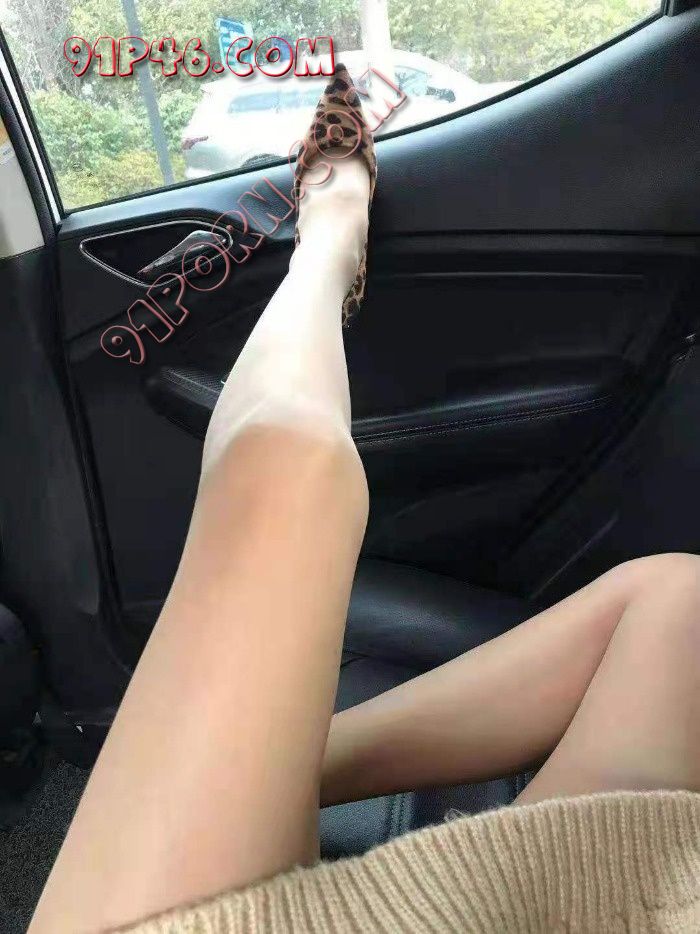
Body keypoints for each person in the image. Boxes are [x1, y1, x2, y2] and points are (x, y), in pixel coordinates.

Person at [30, 65, 700, 933]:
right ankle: (287, 769)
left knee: (289, 468)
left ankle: (327, 243)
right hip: (629, 887)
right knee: (681, 600)